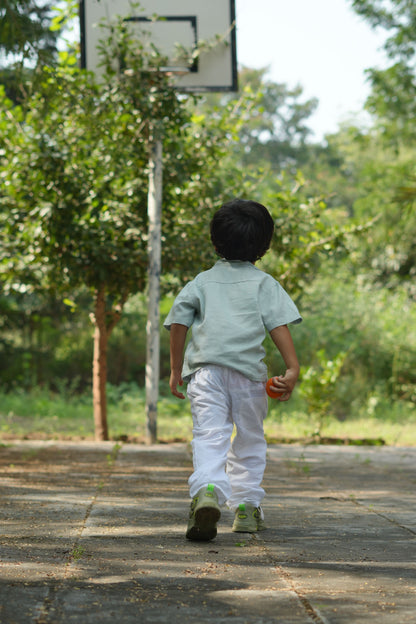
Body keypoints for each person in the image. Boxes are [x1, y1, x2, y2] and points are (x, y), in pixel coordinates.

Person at [163, 198, 302, 541]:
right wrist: (292, 367)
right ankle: (246, 508)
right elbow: (278, 326)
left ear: (215, 242)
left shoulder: (201, 282)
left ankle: (208, 491)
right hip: (249, 377)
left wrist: (175, 369)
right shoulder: (264, 284)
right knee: (250, 439)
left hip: (206, 375)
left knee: (210, 436)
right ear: (264, 246)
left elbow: (179, 322)